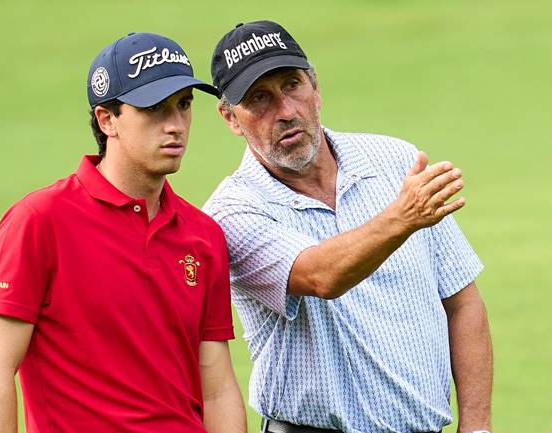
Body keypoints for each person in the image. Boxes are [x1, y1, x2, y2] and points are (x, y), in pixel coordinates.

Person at [203, 20, 492, 433]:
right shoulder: (232, 212)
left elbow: (462, 300)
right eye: (259, 99)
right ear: (231, 118)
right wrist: (402, 217)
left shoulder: (395, 161)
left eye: (292, 86)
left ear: (315, 86)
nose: (286, 112)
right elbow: (322, 275)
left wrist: (477, 426)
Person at [0, 32, 246, 433]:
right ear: (106, 119)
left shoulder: (203, 237)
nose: (175, 125)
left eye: (183, 105)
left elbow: (217, 388)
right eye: (154, 109)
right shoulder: (38, 221)